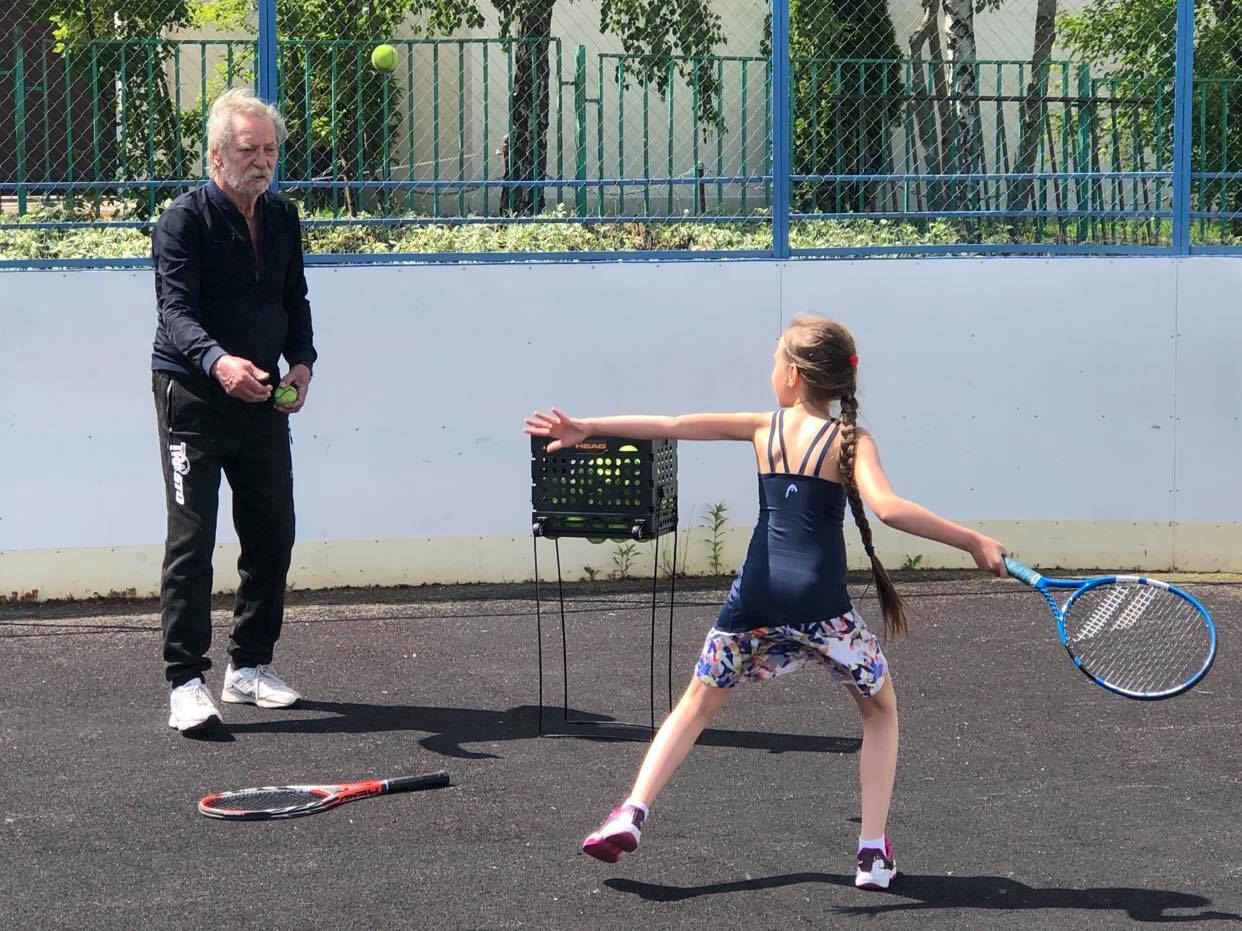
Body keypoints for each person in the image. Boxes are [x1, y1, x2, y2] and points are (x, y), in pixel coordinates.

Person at [523, 314, 1007, 890]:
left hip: (753, 598)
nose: (771, 370)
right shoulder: (850, 441)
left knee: (697, 705)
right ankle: (873, 854)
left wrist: (588, 426)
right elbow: (890, 508)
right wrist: (974, 540)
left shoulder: (763, 427)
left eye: (776, 359)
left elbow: (673, 424)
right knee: (879, 712)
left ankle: (631, 811)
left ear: (795, 376)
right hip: (821, 607)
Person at [151, 87, 317, 734]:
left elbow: (295, 300)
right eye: (249, 149)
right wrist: (220, 363)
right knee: (193, 539)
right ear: (218, 156)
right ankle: (185, 681)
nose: (262, 161)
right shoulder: (181, 221)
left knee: (274, 532)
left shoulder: (282, 218)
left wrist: (302, 362)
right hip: (193, 395)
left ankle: (247, 666)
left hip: (263, 397)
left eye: (270, 149)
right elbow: (175, 314)